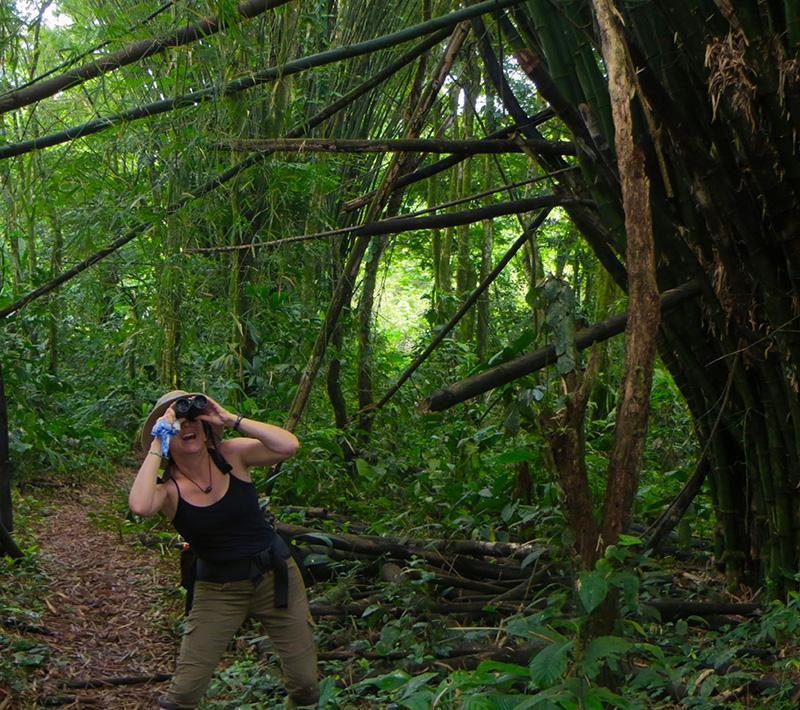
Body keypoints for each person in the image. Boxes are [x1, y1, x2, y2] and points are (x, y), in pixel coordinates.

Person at [129, 390, 319, 709]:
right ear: (165, 438)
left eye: (193, 419)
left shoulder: (232, 454)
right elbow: (140, 506)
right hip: (218, 589)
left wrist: (231, 419)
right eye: (177, 423)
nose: (187, 426)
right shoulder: (168, 489)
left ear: (205, 429)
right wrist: (156, 443)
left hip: (274, 575)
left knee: (305, 685)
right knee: (184, 693)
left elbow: (289, 446)